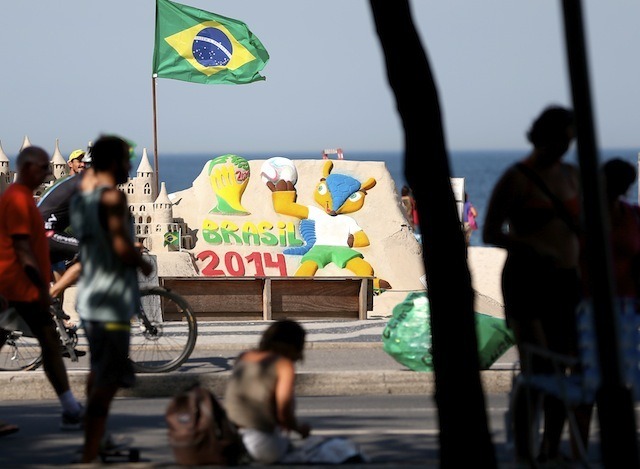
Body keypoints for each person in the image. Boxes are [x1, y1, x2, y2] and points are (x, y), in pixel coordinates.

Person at [482, 105, 584, 464]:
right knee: (538, 368)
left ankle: (551, 447)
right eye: (562, 137)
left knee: (568, 365)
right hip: (528, 281)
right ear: (543, 135)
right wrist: (530, 245)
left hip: (568, 281)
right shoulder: (517, 178)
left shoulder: (572, 174)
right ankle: (526, 448)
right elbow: (490, 231)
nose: (567, 144)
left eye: (570, 137)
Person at [70, 135, 152, 463]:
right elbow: (120, 246)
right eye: (125, 159)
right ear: (113, 162)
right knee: (109, 377)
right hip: (111, 299)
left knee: (98, 371)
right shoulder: (112, 198)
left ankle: (99, 440)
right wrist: (141, 260)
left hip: (90, 297)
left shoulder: (81, 199)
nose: (130, 167)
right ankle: (91, 452)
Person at [0, 146, 84, 431]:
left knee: (50, 344)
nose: (48, 173)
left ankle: (71, 408)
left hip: (18, 287)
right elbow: (23, 249)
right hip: (14, 287)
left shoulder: (23, 198)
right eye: (42, 168)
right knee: (49, 343)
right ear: (27, 168)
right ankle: (71, 408)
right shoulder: (17, 200)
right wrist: (41, 286)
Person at [224, 319, 311, 464]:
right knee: (313, 453)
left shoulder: (244, 357)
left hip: (231, 438)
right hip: (260, 442)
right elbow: (284, 412)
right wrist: (300, 430)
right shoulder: (283, 365)